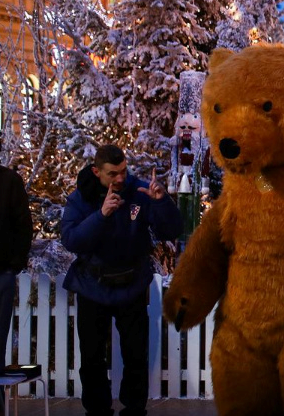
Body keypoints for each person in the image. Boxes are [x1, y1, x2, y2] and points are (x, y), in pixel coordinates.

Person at [60, 145, 182, 416]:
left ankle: (134, 408)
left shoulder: (139, 191)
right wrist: (101, 215)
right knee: (92, 356)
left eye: (123, 171)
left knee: (135, 353)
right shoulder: (81, 198)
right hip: (93, 285)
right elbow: (71, 240)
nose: (120, 178)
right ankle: (98, 409)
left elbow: (172, 230)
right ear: (97, 171)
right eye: (112, 173)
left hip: (132, 283)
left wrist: (161, 202)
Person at [0, 131, 31, 406]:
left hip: (2, 271)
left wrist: (14, 264)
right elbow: (23, 226)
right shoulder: (10, 181)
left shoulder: (9, 182)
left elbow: (23, 227)